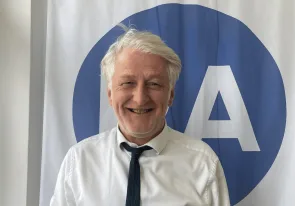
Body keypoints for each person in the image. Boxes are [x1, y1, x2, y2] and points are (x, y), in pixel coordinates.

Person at [50, 25, 230, 206]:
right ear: (110, 94)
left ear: (171, 95)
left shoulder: (203, 164)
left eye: (154, 84)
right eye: (127, 83)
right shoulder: (79, 161)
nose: (140, 99)